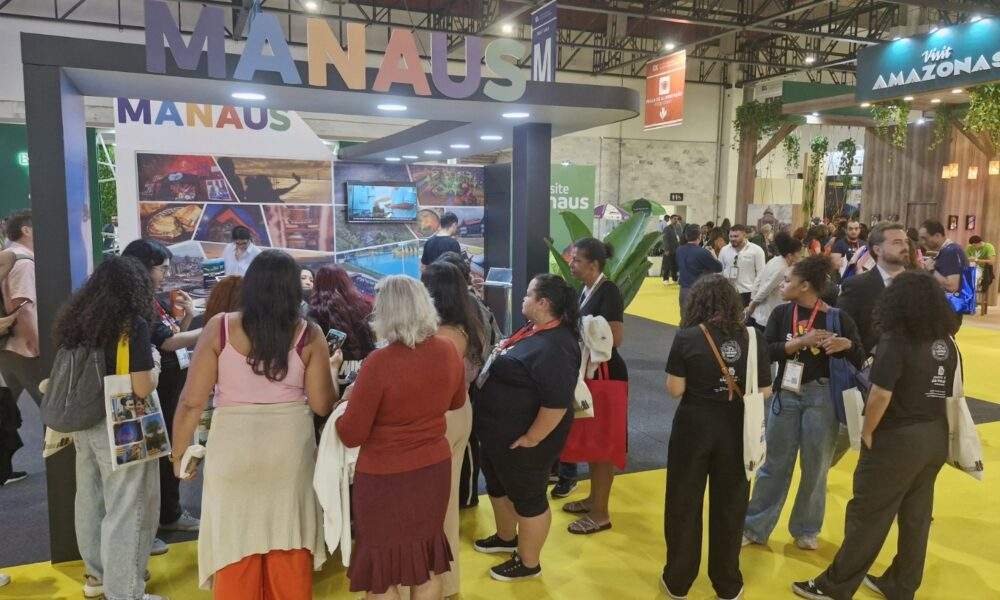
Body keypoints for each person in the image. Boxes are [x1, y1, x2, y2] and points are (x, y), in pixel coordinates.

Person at [171, 250, 337, 598]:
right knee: (288, 544)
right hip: (289, 454)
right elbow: (322, 404)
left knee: (235, 545)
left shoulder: (219, 327)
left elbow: (191, 401)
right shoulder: (309, 334)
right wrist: (332, 372)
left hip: (232, 450)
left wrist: (179, 454)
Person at [792, 272, 958, 600]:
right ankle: (902, 584)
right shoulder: (945, 342)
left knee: (867, 514)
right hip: (934, 436)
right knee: (916, 516)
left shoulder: (896, 339)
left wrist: (867, 431)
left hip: (897, 439)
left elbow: (881, 394)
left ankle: (835, 586)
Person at [336, 275, 466, 598]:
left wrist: (345, 404)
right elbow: (457, 401)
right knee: (427, 562)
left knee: (382, 573)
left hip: (384, 479)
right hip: (432, 471)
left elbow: (351, 434)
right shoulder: (447, 350)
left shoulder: (378, 363)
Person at [55, 257, 165, 600]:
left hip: (83, 421)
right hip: (121, 424)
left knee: (90, 498)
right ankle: (126, 591)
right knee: (128, 507)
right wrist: (155, 363)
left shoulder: (77, 322)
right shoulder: (132, 325)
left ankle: (97, 577)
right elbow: (142, 387)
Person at [742, 255, 865, 550]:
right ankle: (755, 526)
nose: (782, 284)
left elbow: (860, 357)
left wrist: (846, 345)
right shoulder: (782, 313)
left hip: (822, 396)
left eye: (787, 280)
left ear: (805, 285)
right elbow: (766, 351)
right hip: (786, 393)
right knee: (773, 464)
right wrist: (798, 343)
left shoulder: (838, 317)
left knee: (816, 466)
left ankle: (807, 529)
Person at [662, 274, 772, 600]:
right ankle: (727, 584)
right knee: (731, 506)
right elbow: (765, 391)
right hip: (737, 429)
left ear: (697, 302)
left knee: (683, 502)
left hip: (693, 427)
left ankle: (678, 580)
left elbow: (675, 389)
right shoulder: (753, 337)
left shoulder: (687, 337)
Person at [473, 274, 581, 582]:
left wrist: (533, 438)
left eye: (529, 294)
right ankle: (506, 538)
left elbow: (556, 403)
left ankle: (528, 562)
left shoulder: (556, 346)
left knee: (528, 497)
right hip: (499, 434)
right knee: (498, 485)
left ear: (543, 303)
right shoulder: (533, 330)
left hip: (526, 440)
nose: (523, 297)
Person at [121, 240, 202, 540]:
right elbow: (167, 342)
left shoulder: (152, 300)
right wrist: (213, 329)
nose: (165, 275)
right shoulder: (135, 304)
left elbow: (171, 335)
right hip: (153, 391)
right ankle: (152, 524)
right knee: (155, 457)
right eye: (162, 269)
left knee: (167, 450)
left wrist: (189, 317)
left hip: (168, 388)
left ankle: (168, 513)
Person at [421, 262, 486, 597]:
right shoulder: (467, 327)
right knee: (444, 504)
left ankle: (433, 580)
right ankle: (445, 581)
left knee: (432, 506)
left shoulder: (437, 336)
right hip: (459, 414)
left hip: (439, 418)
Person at [557, 238, 628, 534]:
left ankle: (601, 513)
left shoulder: (608, 291)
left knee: (602, 445)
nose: (571, 264)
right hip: (591, 375)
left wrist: (582, 326)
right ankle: (593, 499)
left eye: (576, 260)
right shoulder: (585, 290)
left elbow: (616, 337)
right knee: (592, 441)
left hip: (607, 376)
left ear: (593, 264)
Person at [434, 251, 502, 510]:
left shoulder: (467, 311)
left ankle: (467, 494)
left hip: (466, 390)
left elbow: (482, 349)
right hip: (464, 390)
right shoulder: (463, 311)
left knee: (467, 444)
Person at [838, 223, 909, 355]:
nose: (905, 247)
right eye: (897, 243)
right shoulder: (856, 286)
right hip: (870, 362)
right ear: (877, 250)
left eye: (906, 242)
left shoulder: (922, 285)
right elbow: (844, 332)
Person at [0, 211, 46, 411]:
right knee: (51, 408)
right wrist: (38, 346)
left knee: (6, 411)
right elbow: (24, 307)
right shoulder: (24, 262)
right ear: (26, 230)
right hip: (24, 349)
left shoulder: (9, 258)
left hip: (7, 343)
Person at [307, 265, 376, 363]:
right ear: (346, 283)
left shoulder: (314, 314)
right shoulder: (363, 308)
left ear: (318, 285)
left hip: (332, 367)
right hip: (364, 366)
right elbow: (370, 345)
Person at [747, 232, 802, 331]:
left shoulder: (775, 260)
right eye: (799, 253)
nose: (800, 256)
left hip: (761, 311)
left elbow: (758, 280)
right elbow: (766, 288)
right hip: (768, 312)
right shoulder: (782, 268)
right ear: (790, 255)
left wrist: (753, 299)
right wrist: (753, 304)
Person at [918, 220, 965, 327]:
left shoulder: (951, 251)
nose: (923, 242)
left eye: (925, 238)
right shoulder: (948, 251)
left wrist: (931, 270)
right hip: (948, 309)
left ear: (937, 236)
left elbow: (952, 286)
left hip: (949, 310)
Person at [677, 224, 723, 317]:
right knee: (699, 319)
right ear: (700, 236)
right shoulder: (703, 252)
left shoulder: (679, 250)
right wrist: (714, 255)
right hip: (699, 291)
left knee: (685, 317)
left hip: (684, 290)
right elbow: (719, 268)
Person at [719, 224, 767, 307]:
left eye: (736, 236)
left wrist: (755, 295)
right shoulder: (724, 250)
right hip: (727, 291)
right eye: (731, 236)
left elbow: (761, 273)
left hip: (747, 292)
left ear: (745, 235)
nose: (732, 239)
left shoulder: (757, 250)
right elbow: (720, 270)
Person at [966, 235, 996, 301]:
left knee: (973, 277)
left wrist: (978, 260)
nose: (973, 247)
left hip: (981, 269)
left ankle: (971, 298)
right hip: (969, 267)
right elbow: (965, 259)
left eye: (974, 245)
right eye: (972, 245)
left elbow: (992, 261)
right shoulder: (970, 247)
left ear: (979, 243)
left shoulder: (988, 247)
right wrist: (969, 259)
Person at [661, 214, 682, 284]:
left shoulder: (678, 228)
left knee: (675, 265)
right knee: (667, 264)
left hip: (677, 249)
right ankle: (665, 279)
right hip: (669, 249)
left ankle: (675, 279)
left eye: (677, 219)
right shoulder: (667, 228)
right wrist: (666, 249)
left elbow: (680, 238)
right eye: (674, 219)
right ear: (670, 219)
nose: (676, 220)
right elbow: (665, 239)